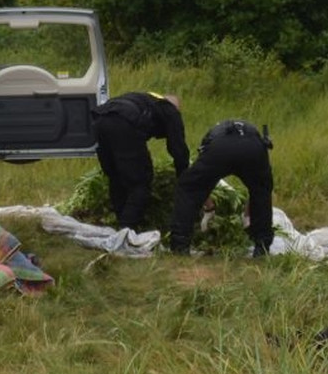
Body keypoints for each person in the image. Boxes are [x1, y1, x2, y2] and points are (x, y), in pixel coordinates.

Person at [169, 120, 275, 256]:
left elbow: (197, 186)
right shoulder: (256, 138)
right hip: (253, 149)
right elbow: (261, 189)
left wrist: (208, 206)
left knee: (188, 187)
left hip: (219, 149)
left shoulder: (212, 138)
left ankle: (180, 245)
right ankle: (262, 247)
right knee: (262, 192)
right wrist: (248, 215)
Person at [92, 91, 189, 230]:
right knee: (140, 182)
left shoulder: (146, 99)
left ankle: (121, 223)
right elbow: (179, 150)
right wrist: (184, 180)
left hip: (100, 119)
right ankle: (127, 229)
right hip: (124, 123)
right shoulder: (170, 110)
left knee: (116, 177)